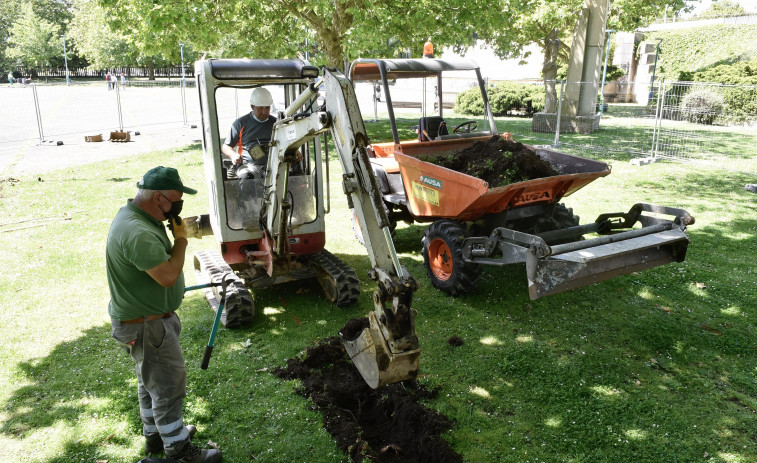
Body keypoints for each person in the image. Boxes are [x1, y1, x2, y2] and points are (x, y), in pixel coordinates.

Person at [106, 166, 222, 463]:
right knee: (168, 385)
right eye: (174, 200)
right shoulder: (137, 231)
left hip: (144, 321)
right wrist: (181, 239)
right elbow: (168, 275)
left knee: (151, 381)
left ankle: (156, 435)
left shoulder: (141, 217)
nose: (178, 206)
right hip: (147, 325)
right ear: (157, 198)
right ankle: (179, 449)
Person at [221, 87, 277, 179]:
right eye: (260, 108)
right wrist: (233, 155)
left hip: (274, 165)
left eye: (267, 108)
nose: (264, 112)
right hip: (249, 167)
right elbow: (226, 146)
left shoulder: (276, 123)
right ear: (252, 106)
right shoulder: (240, 124)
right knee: (246, 178)